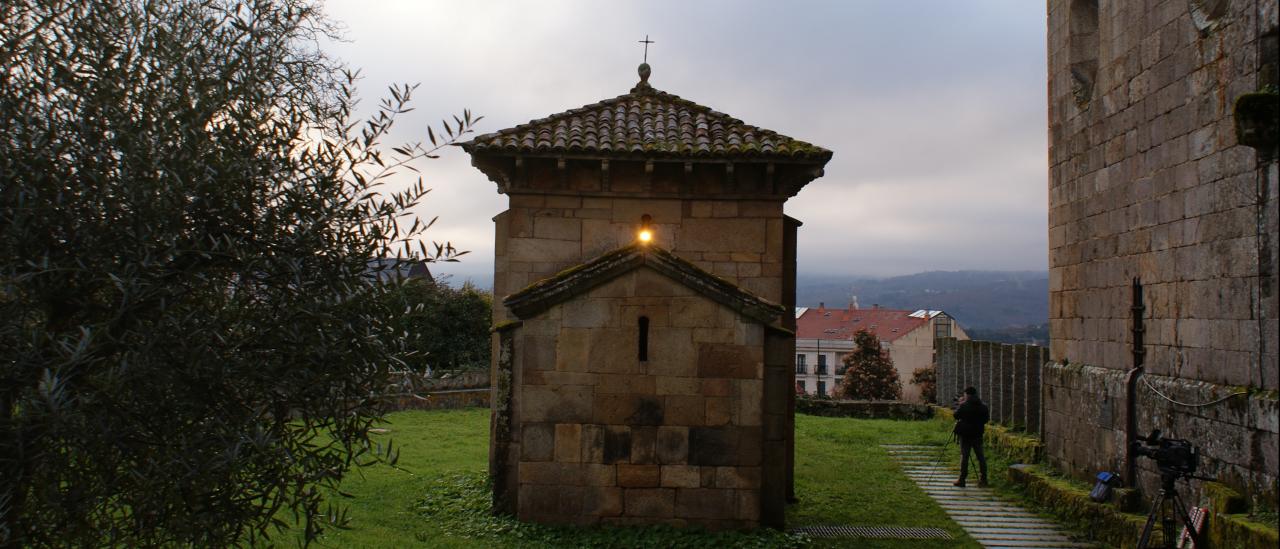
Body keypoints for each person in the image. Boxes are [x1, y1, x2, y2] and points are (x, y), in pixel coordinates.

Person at [952, 386, 989, 487]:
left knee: (964, 457)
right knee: (981, 457)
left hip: (966, 435)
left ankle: (962, 479)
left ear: (967, 395)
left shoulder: (964, 406)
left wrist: (959, 404)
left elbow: (955, 415)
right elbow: (986, 420)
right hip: (978, 434)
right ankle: (983, 479)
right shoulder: (983, 406)